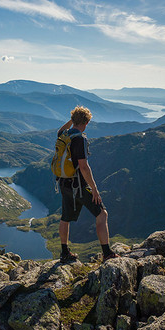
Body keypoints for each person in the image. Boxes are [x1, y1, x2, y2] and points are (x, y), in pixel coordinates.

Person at [57, 106, 119, 263]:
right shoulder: (80, 139)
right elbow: (83, 167)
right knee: (102, 214)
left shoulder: (64, 135)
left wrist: (72, 119)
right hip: (78, 185)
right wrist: (94, 189)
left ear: (73, 121)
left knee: (65, 217)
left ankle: (65, 252)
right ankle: (107, 253)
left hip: (64, 183)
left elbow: (60, 129)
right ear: (86, 122)